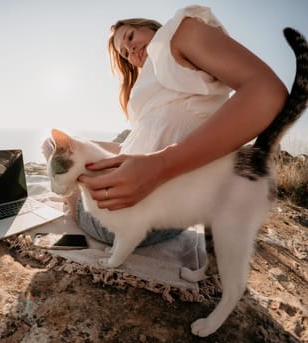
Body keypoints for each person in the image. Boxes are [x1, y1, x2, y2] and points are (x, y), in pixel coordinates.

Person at [54, 5, 288, 246]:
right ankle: (69, 197)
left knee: (68, 184)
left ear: (150, 26)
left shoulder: (179, 34)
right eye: (125, 54)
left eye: (131, 37)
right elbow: (135, 148)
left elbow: (267, 92)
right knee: (59, 150)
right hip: (156, 218)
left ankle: (68, 201)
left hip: (130, 222)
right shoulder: (155, 86)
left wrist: (162, 164)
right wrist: (83, 145)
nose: (131, 49)